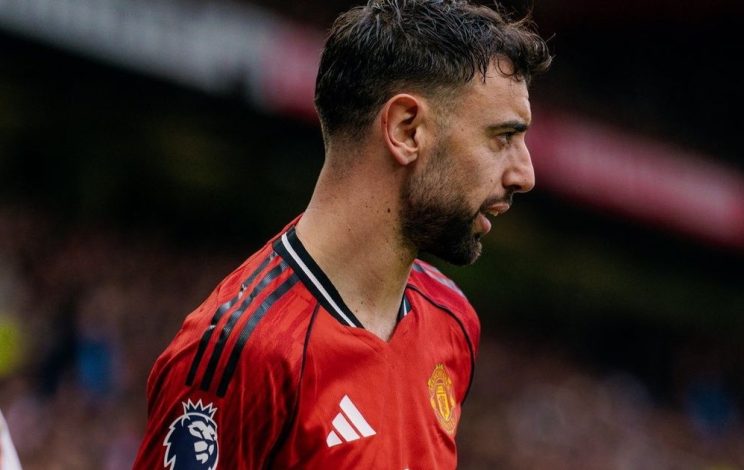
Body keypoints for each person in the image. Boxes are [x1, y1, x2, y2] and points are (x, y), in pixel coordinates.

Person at [133, 0, 550, 468]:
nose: (525, 174)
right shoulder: (244, 355)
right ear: (407, 129)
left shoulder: (452, 318)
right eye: (502, 137)